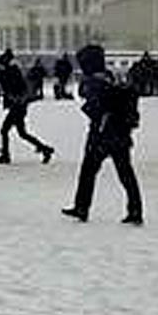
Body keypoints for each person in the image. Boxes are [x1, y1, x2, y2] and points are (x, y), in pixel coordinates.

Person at [63, 43, 144, 226]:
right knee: (125, 173)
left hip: (102, 134)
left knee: (88, 172)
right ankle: (135, 210)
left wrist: (86, 105)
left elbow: (96, 109)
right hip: (120, 133)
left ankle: (81, 207)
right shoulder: (110, 77)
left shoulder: (94, 82)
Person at [0, 51, 55, 164]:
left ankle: (6, 155)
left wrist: (12, 97)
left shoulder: (10, 72)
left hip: (17, 105)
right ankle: (44, 149)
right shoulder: (12, 71)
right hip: (19, 105)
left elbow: (11, 88)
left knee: (5, 130)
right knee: (22, 133)